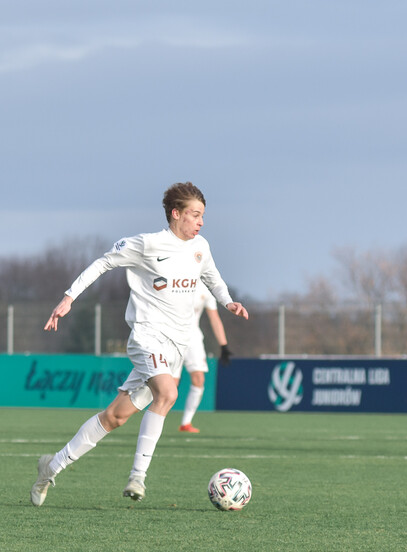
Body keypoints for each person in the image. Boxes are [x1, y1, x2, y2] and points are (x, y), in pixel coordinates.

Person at [32, 182, 249, 506]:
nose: (200, 222)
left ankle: (51, 467)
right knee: (168, 393)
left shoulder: (200, 247)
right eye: (195, 215)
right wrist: (68, 297)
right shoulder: (147, 244)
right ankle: (137, 477)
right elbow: (103, 263)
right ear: (176, 214)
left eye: (202, 216)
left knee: (114, 417)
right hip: (146, 337)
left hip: (175, 347)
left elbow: (212, 276)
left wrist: (228, 301)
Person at [174, 281, 232, 433]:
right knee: (171, 385)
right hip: (171, 336)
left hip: (193, 338)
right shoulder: (175, 281)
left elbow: (214, 318)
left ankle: (186, 423)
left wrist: (223, 346)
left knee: (199, 379)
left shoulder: (205, 289)